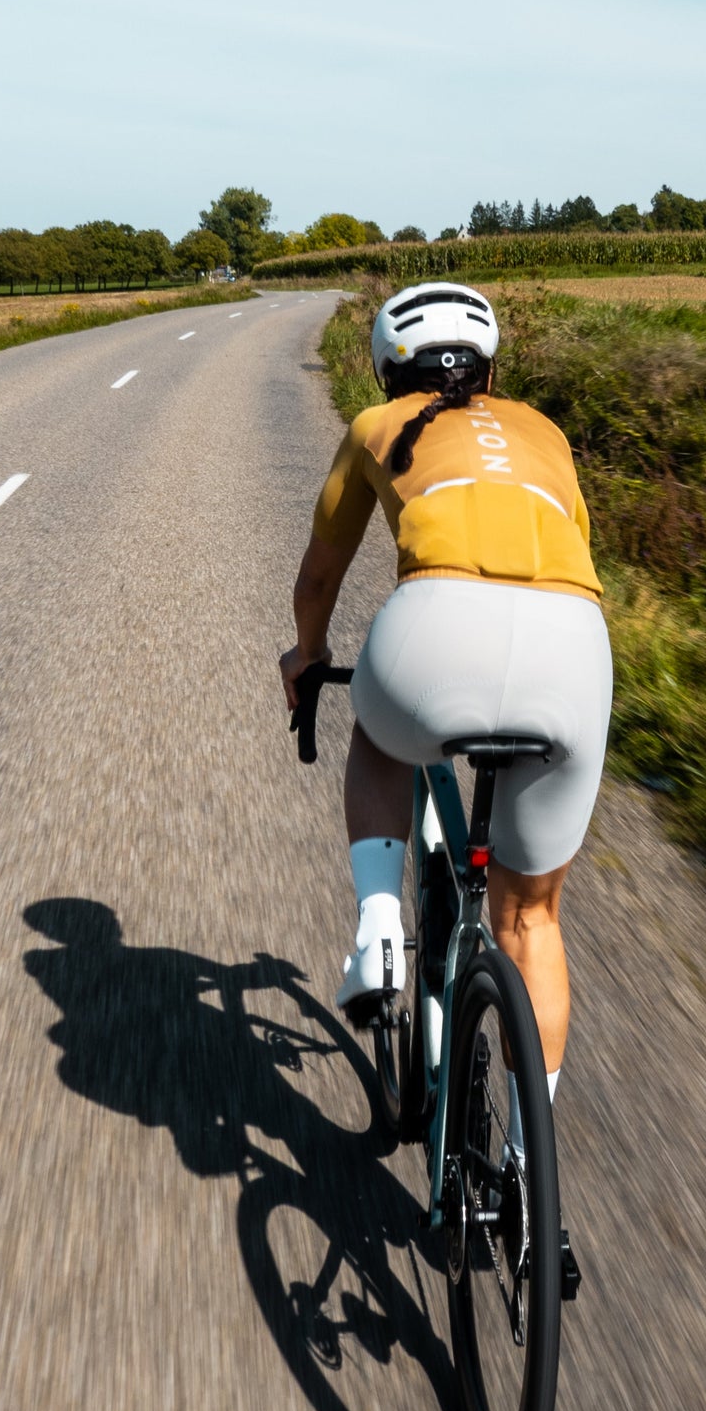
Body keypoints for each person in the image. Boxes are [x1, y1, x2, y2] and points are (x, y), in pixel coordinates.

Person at [280, 280, 613, 1131]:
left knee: (384, 733)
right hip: (573, 647)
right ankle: (529, 1172)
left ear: (391, 368)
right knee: (531, 917)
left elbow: (319, 577)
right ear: (490, 365)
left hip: (434, 634)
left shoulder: (374, 429)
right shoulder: (546, 430)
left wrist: (309, 656)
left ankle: (381, 923)